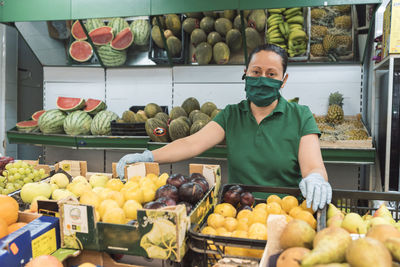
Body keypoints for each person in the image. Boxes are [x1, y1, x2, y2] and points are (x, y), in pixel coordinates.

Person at [117, 44, 332, 212]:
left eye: (271, 74)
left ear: (283, 81)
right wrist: (147, 157)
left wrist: (315, 178)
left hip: (288, 213)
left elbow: (313, 166)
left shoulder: (300, 115)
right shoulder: (231, 115)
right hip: (238, 213)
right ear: (245, 73)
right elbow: (191, 143)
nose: (262, 79)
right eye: (256, 72)